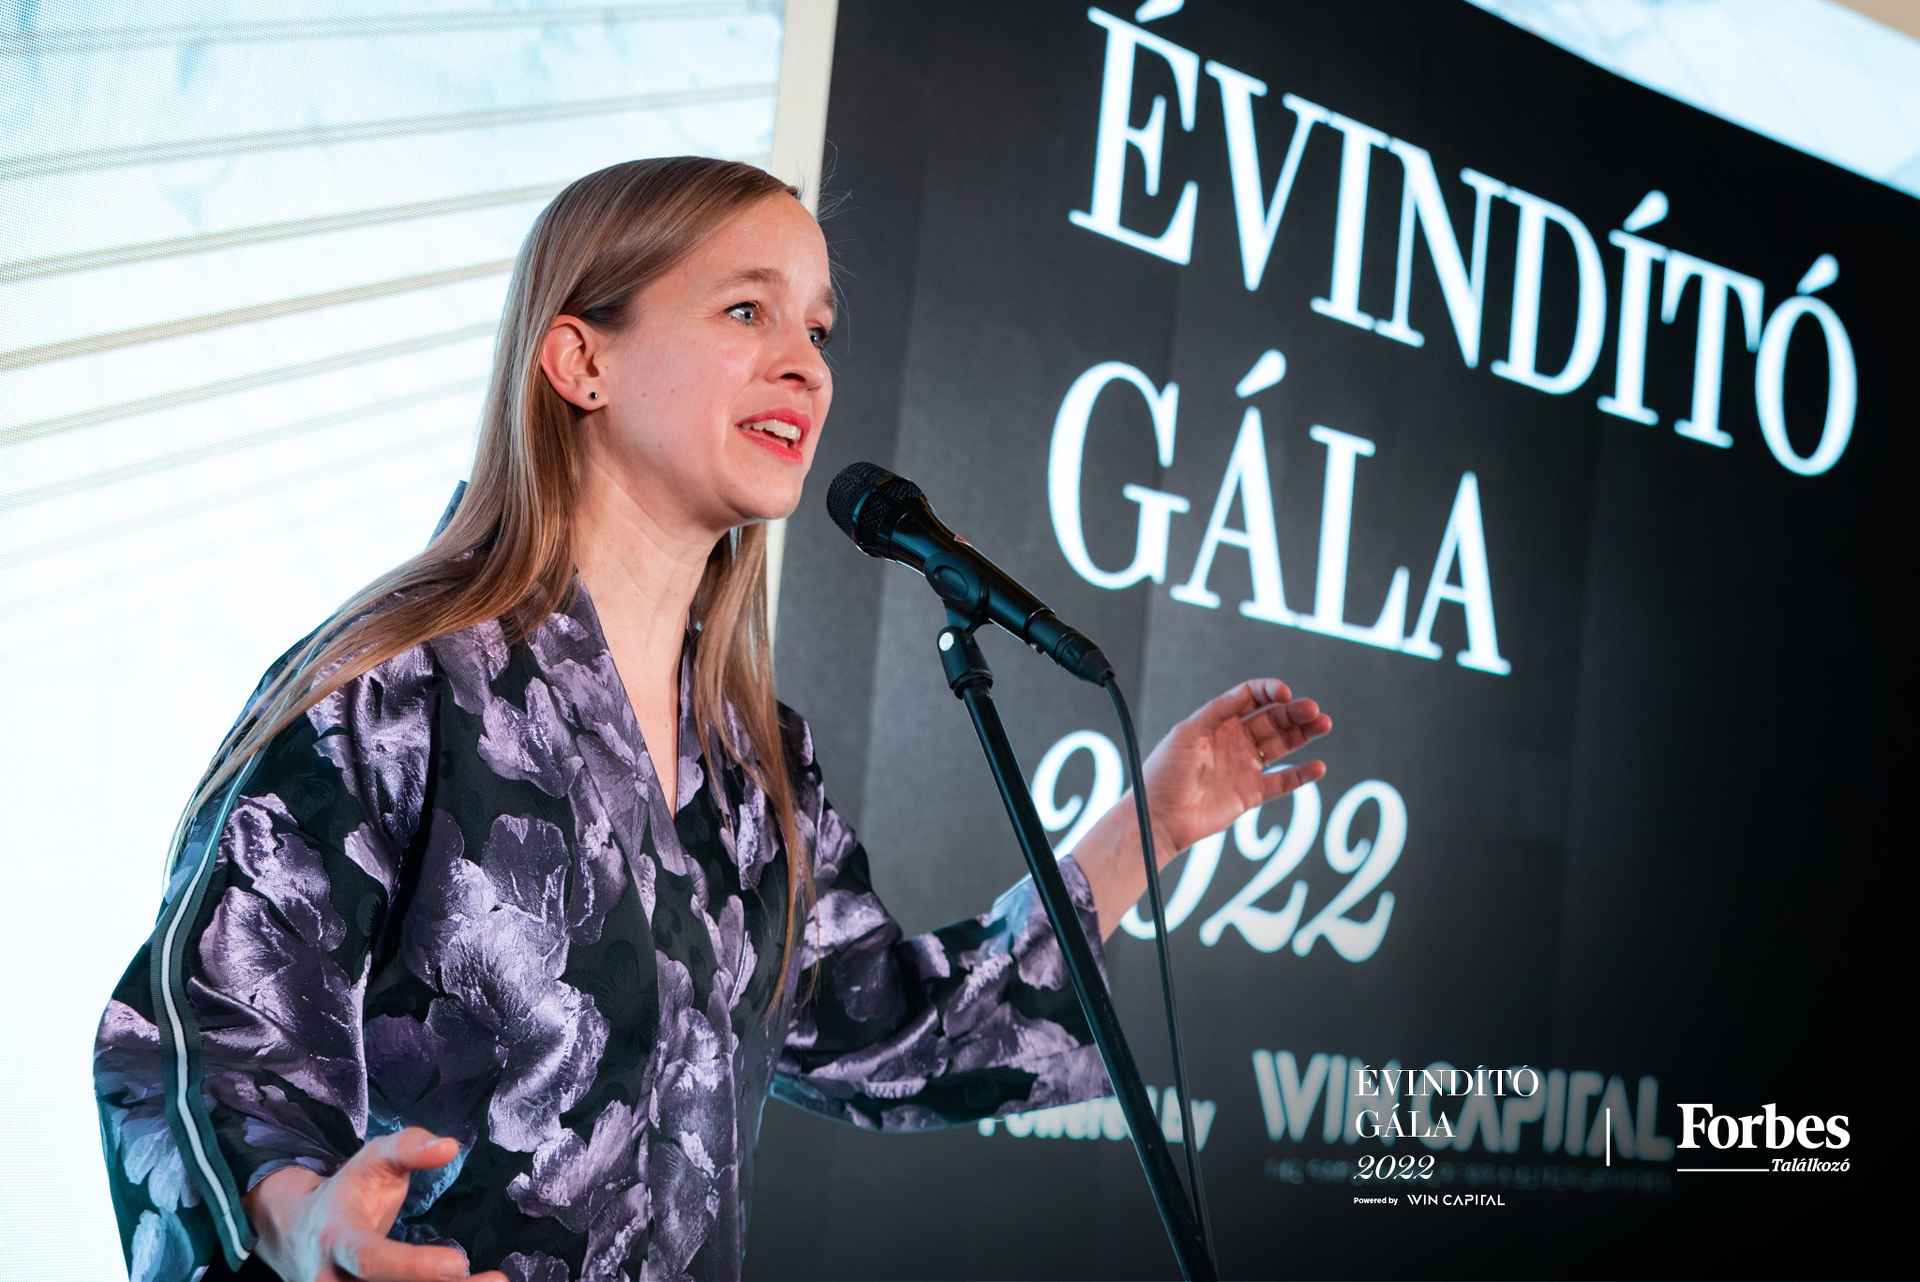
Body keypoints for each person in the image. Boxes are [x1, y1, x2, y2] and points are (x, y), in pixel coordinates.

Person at [93, 157, 1331, 1282]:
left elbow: (893, 1034)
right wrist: (296, 1219)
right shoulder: (396, 679)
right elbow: (193, 1047)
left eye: (818, 329)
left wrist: (1155, 820)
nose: (807, 364)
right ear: (581, 361)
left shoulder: (754, 762)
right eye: (748, 312)